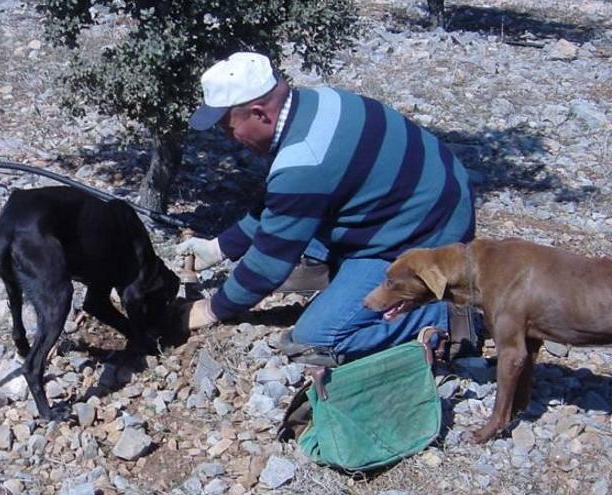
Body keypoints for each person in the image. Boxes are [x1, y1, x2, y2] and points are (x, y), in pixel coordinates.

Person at [176, 52, 478, 365]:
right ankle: (336, 270)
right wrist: (219, 248)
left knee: (316, 339)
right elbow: (278, 208)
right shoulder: (316, 101)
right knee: (285, 248)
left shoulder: (304, 160)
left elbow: (268, 265)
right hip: (425, 200)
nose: (230, 138)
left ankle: (438, 309)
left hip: (426, 234)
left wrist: (211, 310)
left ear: (259, 113)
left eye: (229, 127)